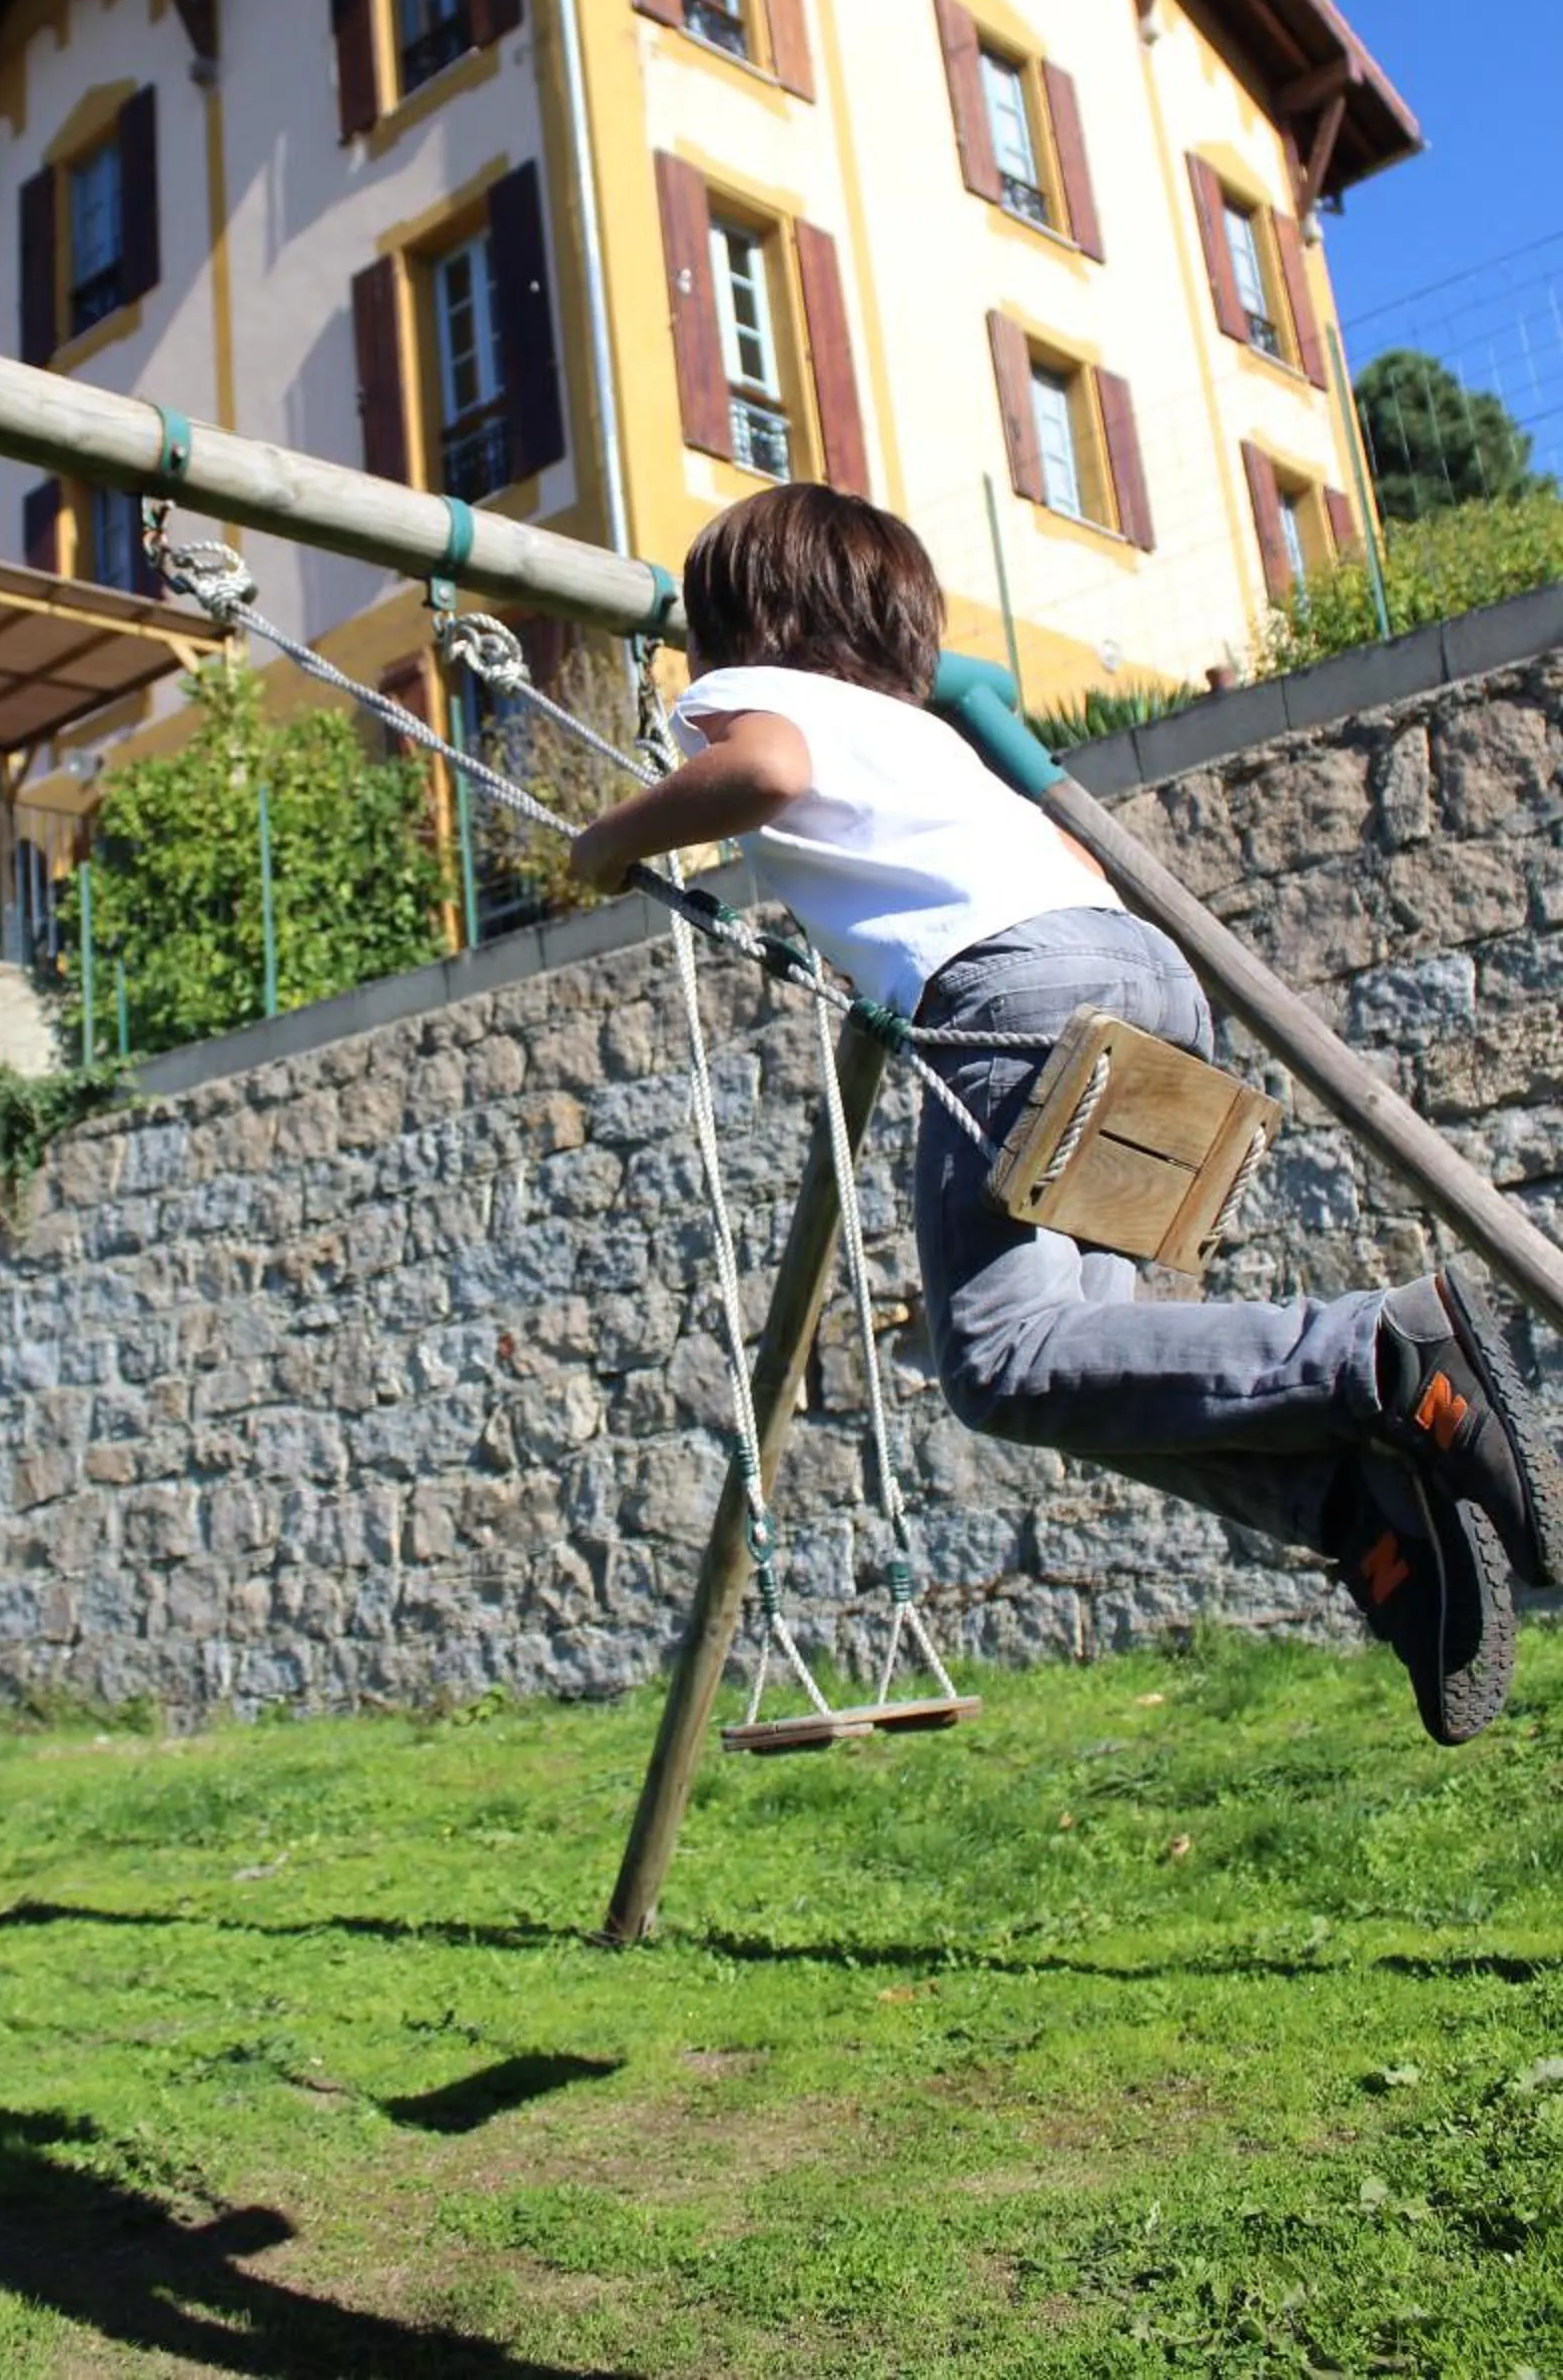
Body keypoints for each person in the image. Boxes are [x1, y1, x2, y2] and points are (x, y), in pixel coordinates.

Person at [567, 483, 1562, 1744]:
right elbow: (1076, 869)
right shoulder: (927, 735)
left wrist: (604, 847)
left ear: (741, 626)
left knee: (996, 1360)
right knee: (1087, 1363)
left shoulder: (744, 702)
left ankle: (1379, 1352)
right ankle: (1351, 1508)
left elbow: (760, 772)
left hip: (1008, 991)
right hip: (1138, 979)